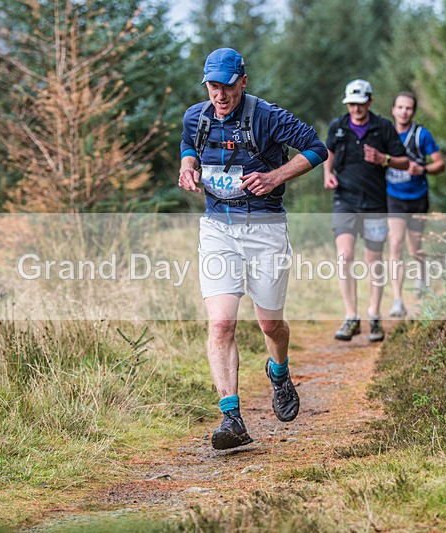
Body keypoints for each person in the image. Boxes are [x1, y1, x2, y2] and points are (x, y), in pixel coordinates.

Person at [178, 48, 327, 450]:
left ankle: (278, 371)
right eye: (213, 86)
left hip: (265, 229)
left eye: (227, 86)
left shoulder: (268, 116)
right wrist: (187, 166)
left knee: (269, 325)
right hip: (217, 229)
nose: (220, 95)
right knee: (222, 323)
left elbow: (317, 148)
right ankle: (232, 418)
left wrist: (277, 176)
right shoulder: (196, 116)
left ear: (243, 81)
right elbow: (188, 147)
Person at [323, 79, 409, 342]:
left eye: (360, 103)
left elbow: (404, 162)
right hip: (345, 200)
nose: (356, 109)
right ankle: (351, 317)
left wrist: (383, 159)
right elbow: (328, 152)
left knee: (374, 262)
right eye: (351, 104)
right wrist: (327, 174)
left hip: (374, 204)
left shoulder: (383, 127)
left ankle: (374, 315)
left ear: (369, 102)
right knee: (344, 256)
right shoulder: (338, 127)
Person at [386, 92, 445, 317]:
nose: (404, 112)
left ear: (414, 111)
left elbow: (440, 163)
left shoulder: (421, 135)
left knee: (415, 247)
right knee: (396, 244)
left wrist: (424, 169)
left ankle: (422, 280)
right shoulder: (386, 134)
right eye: (400, 107)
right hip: (394, 197)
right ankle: (397, 300)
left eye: (408, 108)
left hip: (418, 197)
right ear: (393, 109)